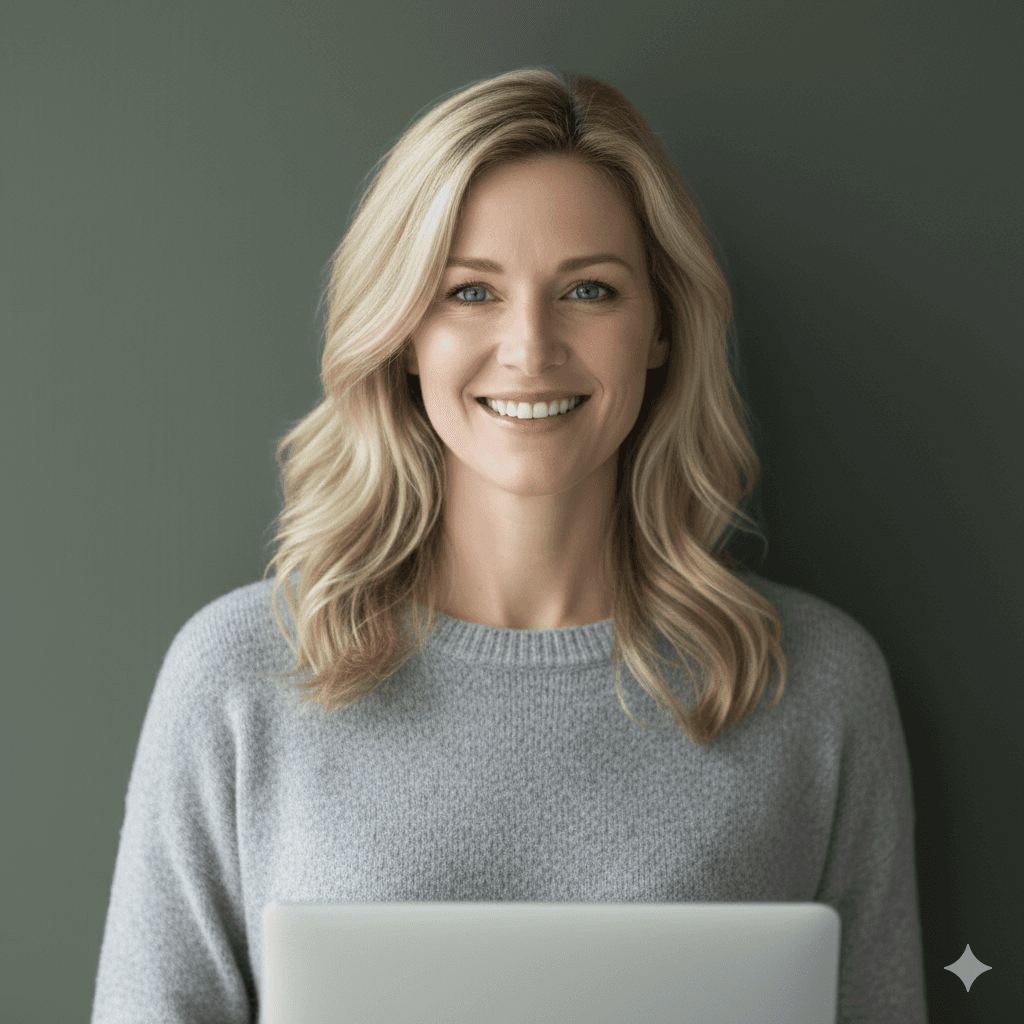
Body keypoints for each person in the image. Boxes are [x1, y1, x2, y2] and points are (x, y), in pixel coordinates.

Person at [91, 68, 928, 1022]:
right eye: (471, 292)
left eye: (590, 289)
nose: (530, 347)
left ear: (660, 327)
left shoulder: (817, 685)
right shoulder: (237, 679)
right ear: (405, 332)